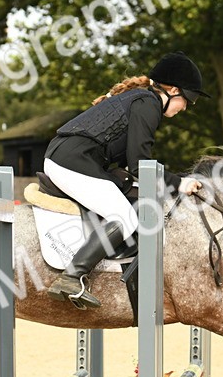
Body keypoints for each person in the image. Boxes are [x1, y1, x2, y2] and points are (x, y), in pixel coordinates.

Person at [43, 52, 210, 308]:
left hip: (72, 158)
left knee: (127, 199)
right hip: (71, 160)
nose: (185, 107)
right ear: (173, 90)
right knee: (124, 217)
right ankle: (72, 277)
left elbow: (129, 167)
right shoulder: (148, 104)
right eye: (186, 100)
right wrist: (180, 183)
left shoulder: (140, 100)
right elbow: (140, 164)